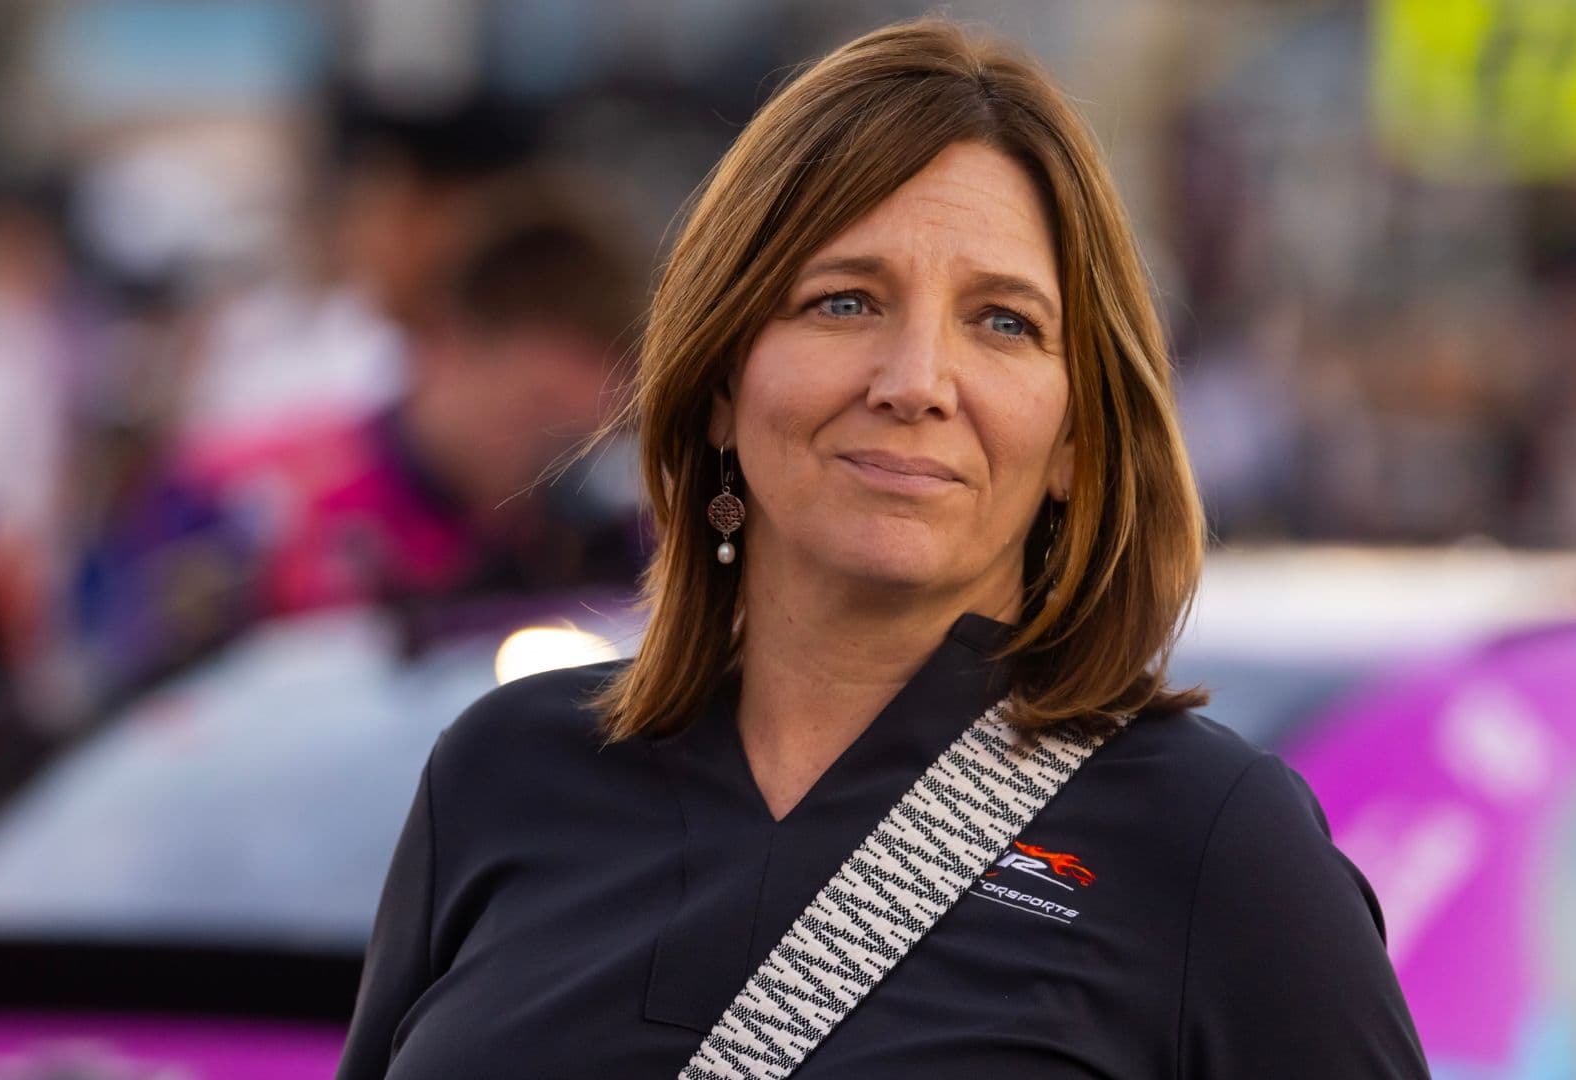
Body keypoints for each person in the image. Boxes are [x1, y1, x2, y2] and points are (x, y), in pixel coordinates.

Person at [337, 19, 1428, 1079]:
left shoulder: (1214, 846)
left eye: (1003, 322)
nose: (914, 382)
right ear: (721, 381)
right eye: (844, 301)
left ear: (1074, 441)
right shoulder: (500, 776)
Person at [74, 184, 648, 705]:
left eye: (588, 432)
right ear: (442, 347)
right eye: (535, 408)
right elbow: (133, 701)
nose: (553, 452)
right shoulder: (245, 497)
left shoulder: (600, 531)